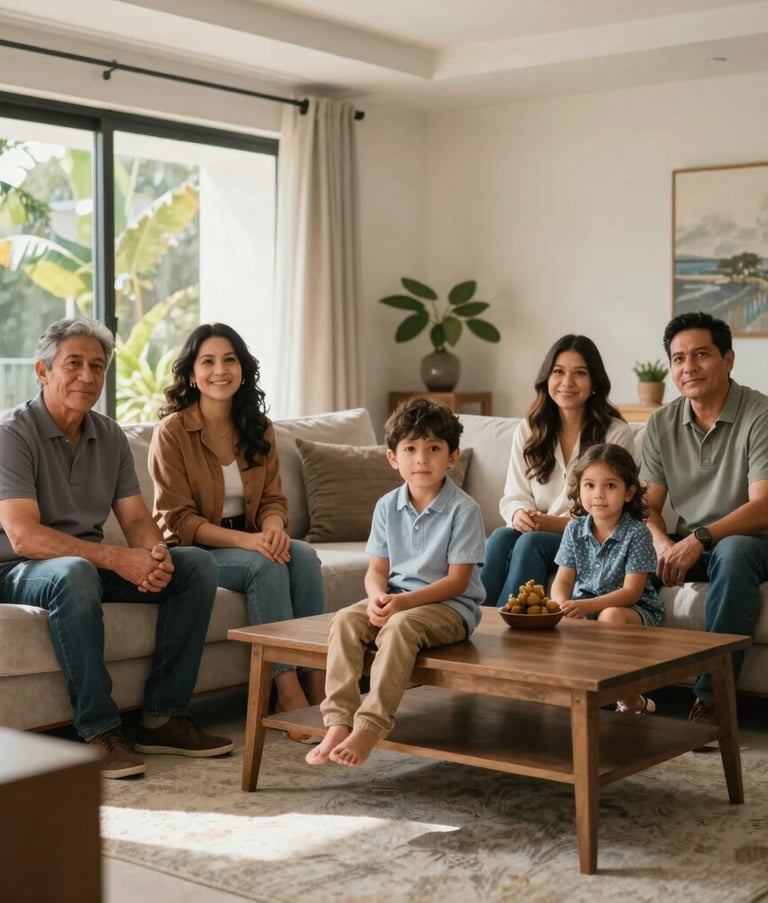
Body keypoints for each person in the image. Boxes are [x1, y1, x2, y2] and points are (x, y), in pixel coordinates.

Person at [0, 318, 232, 779]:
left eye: (98, 366)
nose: (87, 376)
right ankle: (99, 730)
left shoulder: (108, 435)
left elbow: (136, 520)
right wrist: (117, 558)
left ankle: (163, 717)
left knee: (196, 567)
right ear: (42, 371)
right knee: (75, 572)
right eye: (74, 364)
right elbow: (24, 536)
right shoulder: (11, 434)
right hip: (18, 568)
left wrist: (155, 556)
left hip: (83, 565)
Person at [149, 323, 326, 730]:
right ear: (191, 374)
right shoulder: (172, 433)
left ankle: (319, 684)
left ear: (242, 369)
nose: (220, 370)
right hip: (193, 550)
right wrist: (250, 542)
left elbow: (272, 501)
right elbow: (179, 519)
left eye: (229, 360)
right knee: (264, 565)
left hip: (247, 536)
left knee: (301, 554)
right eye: (207, 361)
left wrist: (275, 527)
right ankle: (286, 691)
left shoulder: (258, 427)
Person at [305, 398, 486, 768]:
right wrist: (377, 597)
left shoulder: (464, 510)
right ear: (393, 458)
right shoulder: (387, 506)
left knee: (400, 627)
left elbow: (457, 582)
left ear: (452, 457)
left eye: (434, 448)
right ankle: (338, 721)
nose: (422, 459)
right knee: (344, 620)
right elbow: (377, 570)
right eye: (410, 449)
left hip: (451, 609)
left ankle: (371, 725)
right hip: (398, 599)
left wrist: (400, 605)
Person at [640, 311, 768, 731]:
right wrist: (659, 541)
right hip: (691, 539)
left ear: (728, 359)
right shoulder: (661, 422)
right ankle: (612, 689)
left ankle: (712, 700)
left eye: (701, 354)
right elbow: (647, 505)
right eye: (678, 358)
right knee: (626, 548)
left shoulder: (759, 413)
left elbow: (762, 506)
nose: (688, 367)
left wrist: (699, 537)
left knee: (732, 552)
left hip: (753, 540)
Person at [481, 334, 635, 608]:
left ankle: (513, 629)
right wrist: (519, 514)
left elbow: (611, 508)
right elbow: (515, 493)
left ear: (594, 382)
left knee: (532, 543)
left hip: (588, 537)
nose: (567, 383)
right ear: (546, 379)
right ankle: (474, 622)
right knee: (501, 537)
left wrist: (552, 523)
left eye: (580, 373)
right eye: (558, 372)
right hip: (536, 527)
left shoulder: (615, 433)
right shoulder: (530, 429)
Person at [550, 443, 664, 714]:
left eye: (610, 486)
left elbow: (632, 593)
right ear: (579, 490)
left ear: (629, 492)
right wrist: (561, 604)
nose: (598, 495)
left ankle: (623, 697)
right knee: (555, 620)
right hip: (583, 606)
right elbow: (563, 580)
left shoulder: (637, 533)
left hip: (633, 611)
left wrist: (587, 606)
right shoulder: (574, 529)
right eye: (589, 485)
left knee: (610, 616)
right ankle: (580, 697)